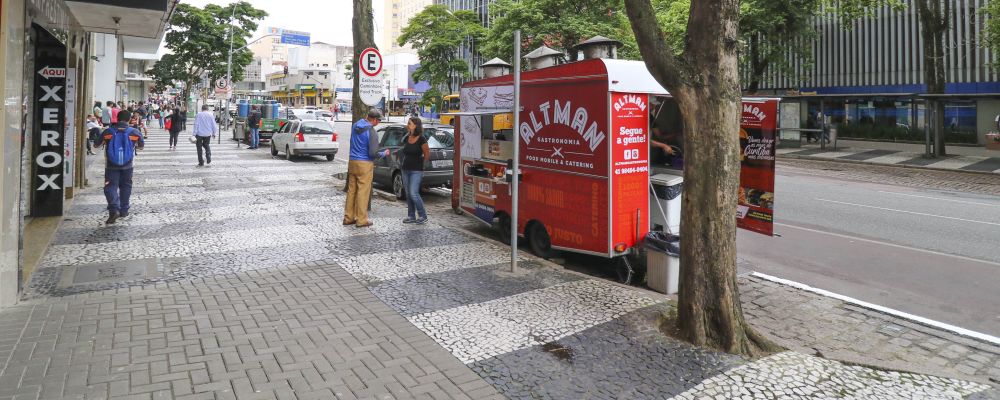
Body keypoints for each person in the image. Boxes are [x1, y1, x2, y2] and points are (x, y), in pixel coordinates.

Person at [94, 110, 144, 224]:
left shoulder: (108, 131)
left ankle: (114, 210)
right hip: (128, 165)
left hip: (111, 166)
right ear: (129, 119)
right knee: (126, 186)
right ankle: (124, 210)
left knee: (110, 187)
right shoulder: (134, 132)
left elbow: (96, 145)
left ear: (117, 118)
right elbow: (141, 147)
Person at [344, 109, 386, 228]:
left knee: (351, 191)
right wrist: (383, 154)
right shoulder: (372, 132)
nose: (379, 122)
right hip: (364, 164)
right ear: (374, 119)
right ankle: (361, 219)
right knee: (363, 192)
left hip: (353, 162)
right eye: (379, 120)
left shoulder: (356, 125)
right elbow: (373, 153)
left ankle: (348, 217)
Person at [399, 117, 430, 224]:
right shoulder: (407, 137)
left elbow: (427, 154)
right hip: (405, 169)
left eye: (409, 123)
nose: (407, 125)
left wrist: (423, 167)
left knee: (413, 193)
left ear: (416, 125)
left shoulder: (422, 139)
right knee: (408, 194)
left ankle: (423, 215)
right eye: (408, 123)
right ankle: (411, 216)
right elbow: (403, 150)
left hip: (416, 170)